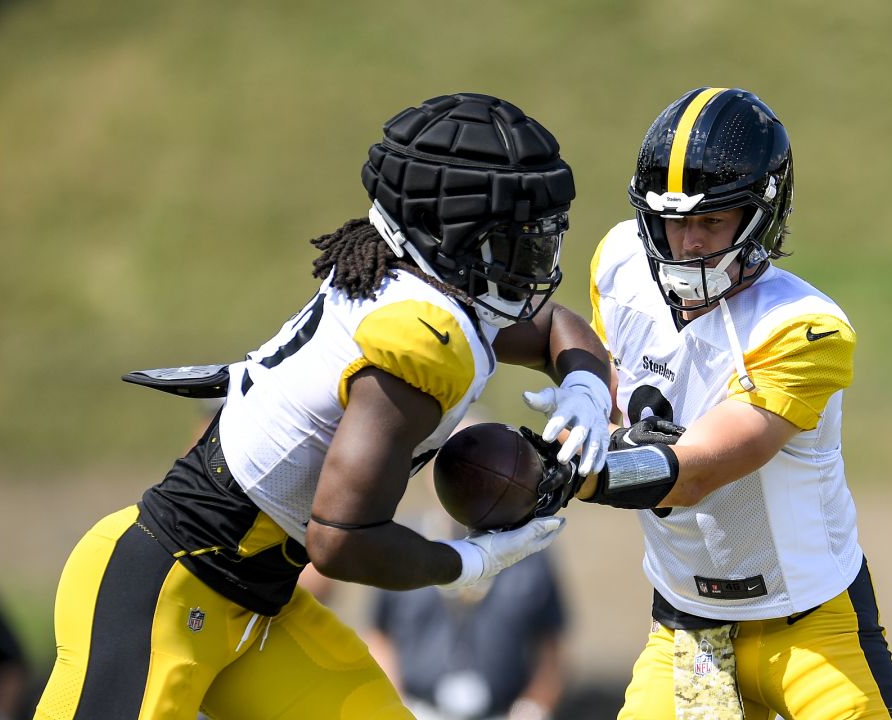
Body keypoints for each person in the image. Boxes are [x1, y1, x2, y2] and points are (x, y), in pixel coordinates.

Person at [34, 92, 612, 720]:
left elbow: (556, 324)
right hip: (163, 586)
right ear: (456, 237)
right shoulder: (422, 338)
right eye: (516, 246)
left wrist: (586, 387)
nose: (535, 269)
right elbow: (340, 539)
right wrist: (466, 562)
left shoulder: (410, 281)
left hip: (262, 604)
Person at [550, 87, 892, 719]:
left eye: (711, 221)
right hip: (694, 636)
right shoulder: (618, 263)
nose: (688, 242)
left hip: (810, 630)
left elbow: (698, 472)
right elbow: (614, 388)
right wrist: (585, 398)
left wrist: (563, 471)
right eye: (673, 221)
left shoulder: (804, 327)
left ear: (759, 216)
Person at [367, 511, 567, 720]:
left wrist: (534, 707)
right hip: (418, 710)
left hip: (504, 712)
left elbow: (552, 645)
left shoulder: (528, 548)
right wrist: (395, 706)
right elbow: (380, 635)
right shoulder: (403, 546)